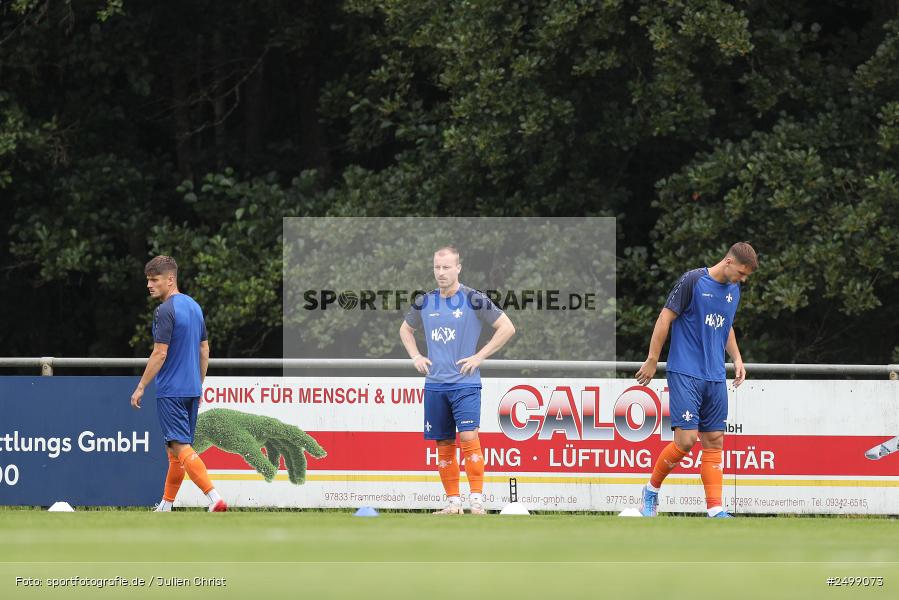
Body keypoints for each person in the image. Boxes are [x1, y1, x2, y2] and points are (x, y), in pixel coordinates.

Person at [634, 242, 758, 518]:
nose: (743, 279)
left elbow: (725, 326)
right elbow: (665, 318)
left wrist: (737, 359)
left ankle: (715, 509)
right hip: (685, 371)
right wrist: (653, 359)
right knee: (687, 440)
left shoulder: (734, 291)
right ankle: (651, 491)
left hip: (715, 374)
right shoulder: (693, 280)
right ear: (728, 261)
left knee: (714, 440)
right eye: (741, 272)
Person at [399, 246, 515, 515]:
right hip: (435, 384)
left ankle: (476, 501)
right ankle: (453, 503)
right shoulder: (425, 301)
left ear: (458, 268)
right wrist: (416, 355)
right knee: (443, 442)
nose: (441, 272)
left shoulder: (473, 298)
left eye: (446, 267)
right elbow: (405, 329)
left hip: (465, 383)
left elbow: (507, 327)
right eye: (437, 267)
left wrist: (480, 356)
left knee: (467, 435)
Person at [130, 255, 226, 512]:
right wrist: (199, 382)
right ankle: (166, 505)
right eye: (148, 280)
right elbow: (204, 349)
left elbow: (160, 353)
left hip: (171, 390)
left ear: (170, 279)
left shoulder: (165, 310)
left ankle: (214, 497)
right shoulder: (194, 306)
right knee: (174, 450)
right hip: (191, 389)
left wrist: (141, 386)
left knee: (179, 445)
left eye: (154, 280)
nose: (149, 285)